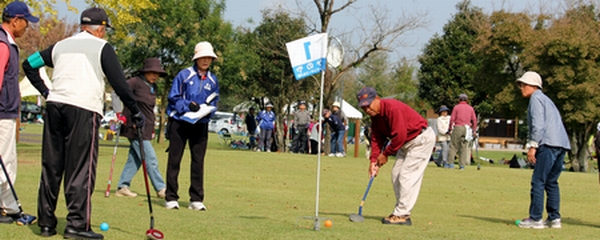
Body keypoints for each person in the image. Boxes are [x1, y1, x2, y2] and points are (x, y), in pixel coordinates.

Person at [22, 7, 144, 239]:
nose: (104, 34)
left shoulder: (60, 45)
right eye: (105, 30)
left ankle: (46, 224)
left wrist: (46, 92)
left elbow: (29, 64)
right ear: (100, 28)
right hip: (83, 109)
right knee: (81, 168)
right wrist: (136, 112)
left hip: (55, 106)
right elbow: (120, 84)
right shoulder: (102, 48)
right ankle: (77, 225)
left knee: (52, 166)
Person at [357, 87, 435, 226]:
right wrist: (373, 160)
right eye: (363, 107)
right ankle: (402, 209)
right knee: (396, 174)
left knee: (406, 175)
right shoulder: (375, 117)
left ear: (377, 99)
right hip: (406, 144)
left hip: (420, 139)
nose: (367, 109)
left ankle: (402, 214)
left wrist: (385, 154)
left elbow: (399, 135)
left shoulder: (392, 108)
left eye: (369, 105)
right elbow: (376, 138)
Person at [164, 41, 220, 211]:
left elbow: (214, 100)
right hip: (180, 122)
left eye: (209, 57)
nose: (206, 60)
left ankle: (196, 199)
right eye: (203, 57)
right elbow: (174, 97)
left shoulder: (213, 79)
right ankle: (171, 197)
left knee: (198, 161)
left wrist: (206, 111)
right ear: (196, 58)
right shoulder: (184, 75)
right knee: (174, 160)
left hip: (200, 124)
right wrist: (188, 105)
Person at [515, 71, 570, 229]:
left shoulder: (536, 99)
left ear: (533, 86)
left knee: (538, 181)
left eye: (524, 85)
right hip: (561, 144)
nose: (522, 88)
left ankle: (536, 218)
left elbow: (538, 124)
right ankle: (554, 218)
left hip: (548, 143)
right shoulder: (547, 99)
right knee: (552, 182)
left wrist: (533, 146)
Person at [0, 0, 38, 225]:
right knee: (5, 163)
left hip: (6, 113)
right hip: (2, 114)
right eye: (26, 22)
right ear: (15, 21)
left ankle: (8, 208)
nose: (27, 27)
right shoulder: (3, 44)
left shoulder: (8, 43)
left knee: (8, 162)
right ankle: (8, 208)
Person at [113, 58, 167, 199]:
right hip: (134, 127)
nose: (155, 76)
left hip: (147, 128)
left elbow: (148, 109)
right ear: (145, 71)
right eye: (152, 72)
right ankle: (161, 188)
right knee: (151, 159)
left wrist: (153, 127)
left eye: (157, 73)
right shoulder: (135, 82)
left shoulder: (153, 87)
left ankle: (122, 186)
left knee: (135, 159)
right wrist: (119, 112)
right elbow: (116, 92)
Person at [447, 93, 477, 170]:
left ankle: (450, 163)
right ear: (467, 100)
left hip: (458, 126)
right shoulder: (470, 108)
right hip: (467, 128)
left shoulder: (456, 107)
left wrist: (450, 128)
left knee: (453, 145)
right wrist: (474, 130)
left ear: (459, 99)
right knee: (463, 147)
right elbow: (474, 119)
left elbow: (452, 119)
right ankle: (462, 165)